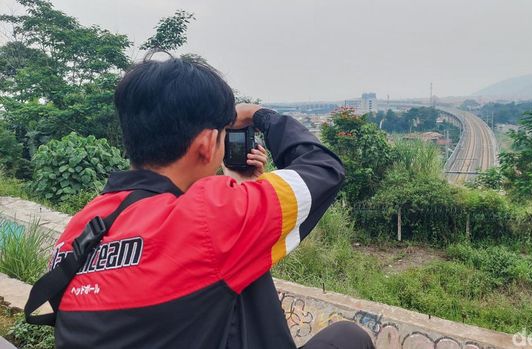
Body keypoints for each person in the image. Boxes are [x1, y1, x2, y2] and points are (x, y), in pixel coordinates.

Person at [48, 56, 375, 349]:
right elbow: (323, 169)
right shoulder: (210, 217)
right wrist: (260, 115)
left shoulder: (80, 229)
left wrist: (241, 185)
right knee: (349, 338)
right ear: (207, 144)